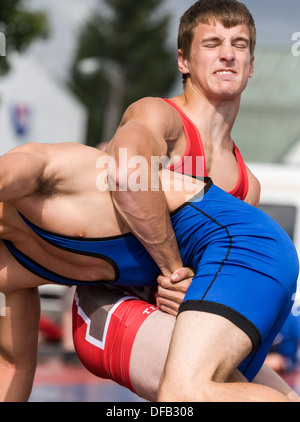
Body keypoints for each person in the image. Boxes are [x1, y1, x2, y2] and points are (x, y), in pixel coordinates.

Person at [73, 0, 297, 399]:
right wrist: (174, 271)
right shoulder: (160, 117)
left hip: (178, 315)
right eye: (212, 44)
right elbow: (125, 168)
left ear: (251, 66)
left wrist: (188, 287)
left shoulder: (248, 185)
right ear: (183, 61)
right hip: (108, 304)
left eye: (240, 45)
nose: (228, 55)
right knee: (201, 393)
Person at [0, 141, 298, 402]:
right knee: (210, 391)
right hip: (211, 274)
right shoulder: (8, 274)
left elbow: (11, 173)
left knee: (183, 393)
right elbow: (14, 364)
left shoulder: (37, 170)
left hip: (239, 246)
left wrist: (176, 273)